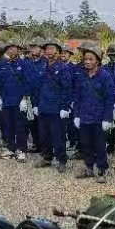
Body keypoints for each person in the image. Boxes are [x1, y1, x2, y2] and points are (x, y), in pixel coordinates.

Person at [73, 46, 115, 183]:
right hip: (84, 116)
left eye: (90, 59)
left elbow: (109, 98)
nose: (87, 62)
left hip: (99, 117)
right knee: (86, 144)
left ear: (97, 61)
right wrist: (76, 115)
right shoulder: (81, 75)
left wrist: (107, 118)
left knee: (100, 145)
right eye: (85, 59)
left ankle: (102, 169)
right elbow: (77, 97)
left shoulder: (105, 76)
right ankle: (89, 167)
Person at [34, 40, 72, 174]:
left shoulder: (63, 68)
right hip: (44, 106)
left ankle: (61, 160)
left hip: (57, 109)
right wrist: (36, 104)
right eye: (47, 49)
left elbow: (67, 89)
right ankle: (47, 157)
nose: (49, 51)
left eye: (51, 48)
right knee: (44, 135)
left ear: (58, 51)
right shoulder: (43, 67)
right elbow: (38, 87)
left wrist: (65, 107)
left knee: (58, 136)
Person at [0, 41, 32, 162]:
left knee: (20, 126)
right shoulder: (3, 64)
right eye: (9, 48)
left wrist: (25, 98)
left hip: (19, 101)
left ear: (18, 50)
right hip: (6, 100)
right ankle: (10, 148)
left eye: (14, 48)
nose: (11, 50)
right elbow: (1, 82)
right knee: (8, 126)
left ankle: (22, 150)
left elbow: (27, 82)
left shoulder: (24, 64)